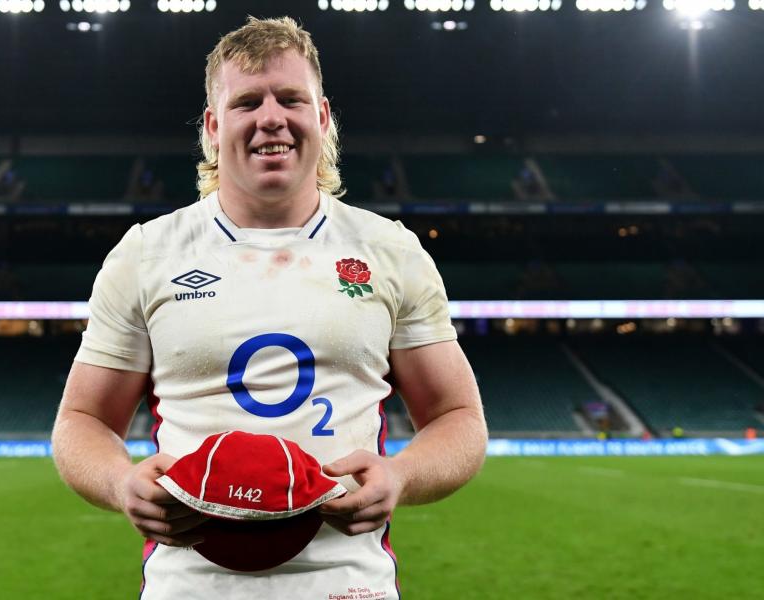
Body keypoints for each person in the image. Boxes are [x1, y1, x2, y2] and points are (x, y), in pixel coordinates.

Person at [51, 16, 487, 599]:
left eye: (291, 98)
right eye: (247, 102)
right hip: (190, 587)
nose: (271, 118)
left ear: (323, 116)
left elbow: (459, 417)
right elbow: (81, 421)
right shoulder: (146, 254)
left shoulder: (390, 251)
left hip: (348, 586)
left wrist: (400, 477)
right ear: (212, 126)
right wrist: (118, 482)